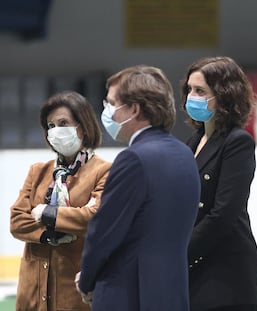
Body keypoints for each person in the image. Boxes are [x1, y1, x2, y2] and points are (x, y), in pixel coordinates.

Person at [75, 65, 201, 310]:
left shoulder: (133, 159)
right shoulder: (184, 153)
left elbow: (104, 232)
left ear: (134, 109)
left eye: (112, 103)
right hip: (172, 292)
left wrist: (87, 280)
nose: (107, 112)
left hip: (129, 293)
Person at [10, 90, 111, 311]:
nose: (55, 131)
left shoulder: (103, 171)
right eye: (50, 126)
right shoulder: (38, 171)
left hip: (75, 295)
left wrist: (47, 213)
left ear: (83, 126)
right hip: (32, 295)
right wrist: (48, 235)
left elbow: (94, 218)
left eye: (63, 123)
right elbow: (17, 221)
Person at [180, 56, 257, 311]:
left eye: (200, 91)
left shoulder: (237, 142)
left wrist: (180, 255)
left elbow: (223, 214)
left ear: (224, 95)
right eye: (190, 90)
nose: (191, 97)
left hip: (226, 275)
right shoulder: (193, 142)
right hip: (197, 269)